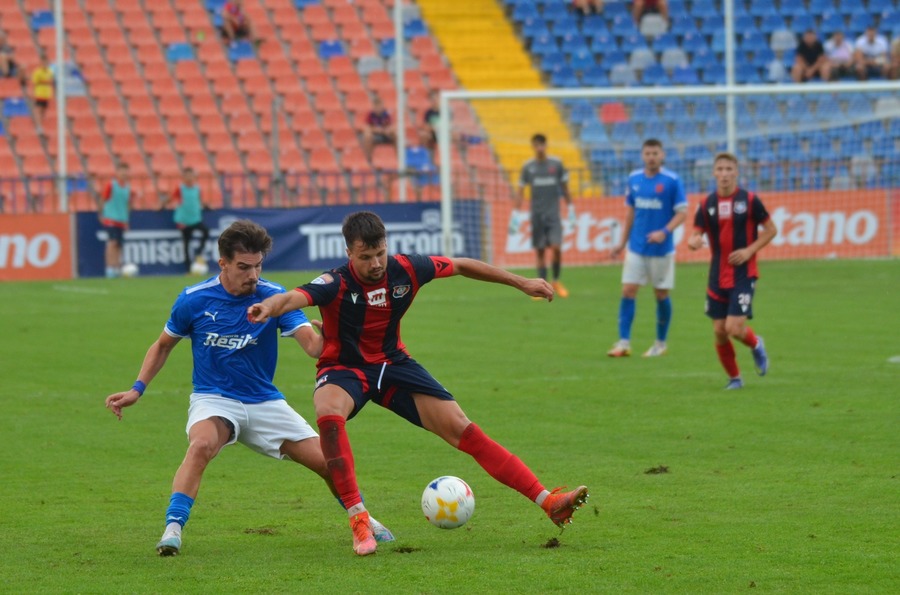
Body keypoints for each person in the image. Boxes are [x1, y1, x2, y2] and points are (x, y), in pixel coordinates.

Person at [247, 211, 589, 556]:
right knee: (328, 412)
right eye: (365, 257)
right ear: (349, 253)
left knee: (463, 429)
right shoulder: (335, 283)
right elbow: (293, 298)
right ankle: (359, 519)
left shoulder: (408, 268)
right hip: (344, 368)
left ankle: (549, 502)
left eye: (380, 253)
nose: (376, 263)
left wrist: (520, 282)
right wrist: (269, 306)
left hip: (393, 364)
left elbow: (461, 265)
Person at [104, 219, 393, 557]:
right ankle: (173, 529)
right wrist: (137, 389)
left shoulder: (273, 296)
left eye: (258, 266)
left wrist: (329, 336)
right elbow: (163, 345)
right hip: (215, 399)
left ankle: (364, 519)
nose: (253, 275)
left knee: (330, 462)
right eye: (243, 267)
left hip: (264, 402)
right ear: (222, 262)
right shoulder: (194, 300)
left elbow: (313, 347)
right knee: (200, 445)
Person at [687, 153, 777, 390]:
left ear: (736, 172)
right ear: (714, 173)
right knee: (719, 330)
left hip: (743, 273)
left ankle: (756, 344)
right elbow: (696, 232)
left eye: (729, 169)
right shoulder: (706, 205)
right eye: (720, 169)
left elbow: (770, 229)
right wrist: (694, 240)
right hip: (717, 274)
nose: (725, 174)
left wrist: (749, 251)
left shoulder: (749, 200)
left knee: (733, 328)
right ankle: (735, 378)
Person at [608, 139, 687, 358]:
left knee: (661, 294)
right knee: (628, 290)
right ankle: (624, 342)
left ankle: (660, 343)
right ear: (642, 155)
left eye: (655, 153)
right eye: (647, 153)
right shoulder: (634, 179)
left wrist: (664, 231)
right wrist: (622, 243)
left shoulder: (672, 180)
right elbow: (631, 213)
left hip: (662, 250)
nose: (651, 157)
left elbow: (682, 212)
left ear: (662, 155)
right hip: (636, 247)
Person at [513, 133, 575, 298]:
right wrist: (515, 215)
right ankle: (541, 286)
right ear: (533, 146)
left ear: (546, 146)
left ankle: (555, 280)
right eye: (537, 145)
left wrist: (571, 209)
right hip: (537, 215)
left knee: (556, 248)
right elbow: (520, 191)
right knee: (540, 251)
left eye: (542, 145)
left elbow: (565, 188)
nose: (540, 148)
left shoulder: (556, 164)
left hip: (553, 215)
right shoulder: (528, 167)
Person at [160, 167, 211, 274]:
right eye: (187, 175)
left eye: (191, 175)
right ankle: (188, 269)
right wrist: (161, 205)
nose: (189, 178)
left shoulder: (197, 189)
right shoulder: (180, 188)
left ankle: (198, 252)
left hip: (195, 219)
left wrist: (207, 206)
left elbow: (200, 201)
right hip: (184, 221)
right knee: (186, 244)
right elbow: (170, 199)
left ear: (194, 177)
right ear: (184, 177)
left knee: (206, 231)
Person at [98, 162, 140, 279]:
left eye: (126, 171)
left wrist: (127, 220)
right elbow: (103, 199)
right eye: (122, 171)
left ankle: (116, 268)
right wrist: (101, 214)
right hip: (110, 218)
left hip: (121, 220)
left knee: (119, 245)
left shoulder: (128, 188)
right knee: (112, 243)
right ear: (117, 173)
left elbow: (127, 205)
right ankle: (109, 268)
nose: (124, 174)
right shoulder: (111, 185)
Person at [362, 96, 396, 161]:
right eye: (376, 106)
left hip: (386, 135)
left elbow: (392, 126)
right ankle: (369, 160)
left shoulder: (387, 114)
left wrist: (388, 130)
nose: (378, 108)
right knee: (367, 136)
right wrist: (376, 130)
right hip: (375, 136)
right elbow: (366, 127)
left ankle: (399, 157)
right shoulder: (370, 115)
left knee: (396, 135)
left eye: (380, 106)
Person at [31, 53, 53, 132]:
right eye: (44, 62)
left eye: (46, 62)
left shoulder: (49, 72)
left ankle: (41, 125)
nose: (45, 64)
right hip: (39, 93)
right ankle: (38, 126)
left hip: (46, 94)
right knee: (38, 110)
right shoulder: (37, 72)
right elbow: (34, 83)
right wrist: (32, 93)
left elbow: (51, 82)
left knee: (43, 110)